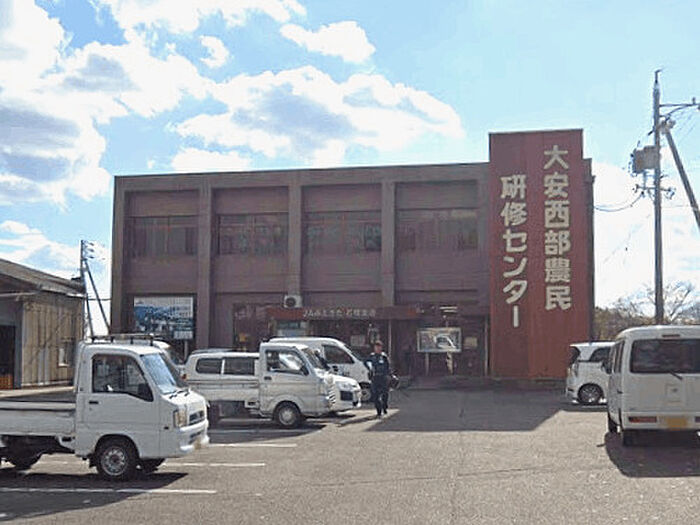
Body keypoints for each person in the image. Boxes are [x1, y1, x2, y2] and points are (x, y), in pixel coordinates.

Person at [368, 340, 391, 418]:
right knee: (375, 395)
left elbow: (388, 366)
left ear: (381, 348)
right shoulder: (371, 356)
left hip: (383, 378)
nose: (377, 349)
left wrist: (389, 375)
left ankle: (384, 407)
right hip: (375, 378)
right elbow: (367, 364)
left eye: (379, 347)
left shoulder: (384, 356)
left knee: (385, 394)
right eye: (376, 347)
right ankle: (379, 411)